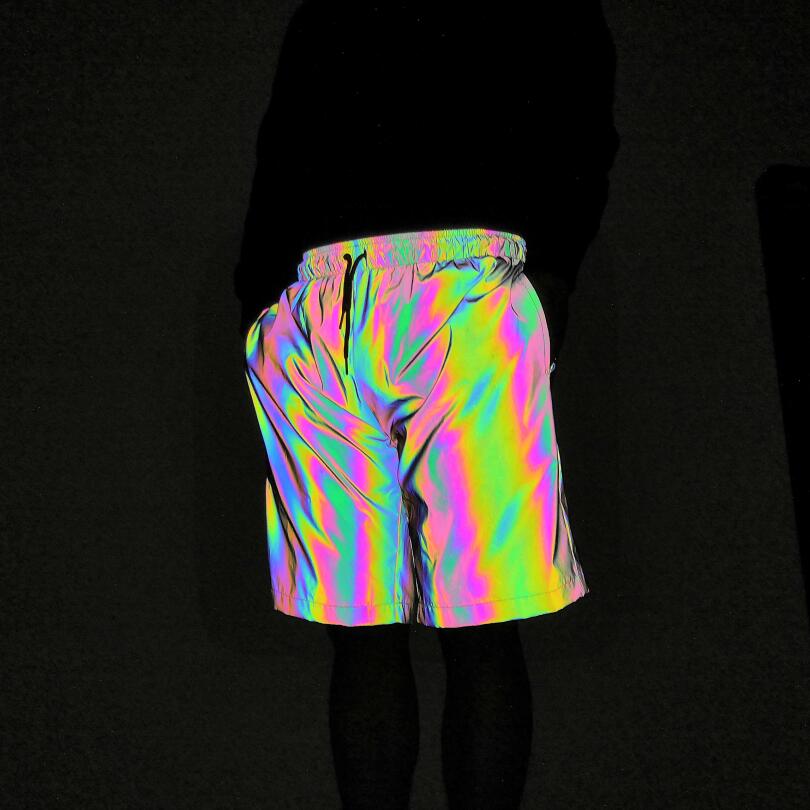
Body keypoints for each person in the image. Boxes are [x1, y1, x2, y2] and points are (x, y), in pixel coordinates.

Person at [236, 2, 620, 808]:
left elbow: (582, 124)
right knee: (435, 631)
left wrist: (551, 275)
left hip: (401, 285)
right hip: (368, 290)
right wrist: (264, 311)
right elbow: (285, 144)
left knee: (415, 634)